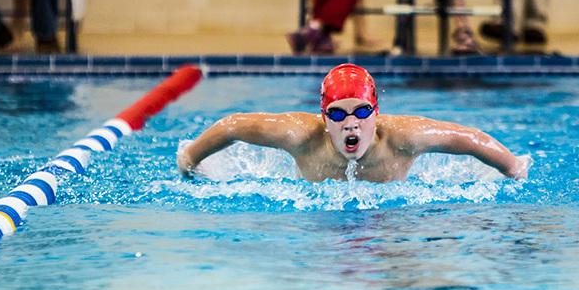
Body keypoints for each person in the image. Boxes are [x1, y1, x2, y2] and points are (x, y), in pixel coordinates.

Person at [178, 63, 532, 183]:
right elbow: (233, 125)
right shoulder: (299, 135)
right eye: (338, 114)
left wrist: (513, 167)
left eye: (361, 112)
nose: (351, 124)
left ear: (376, 113)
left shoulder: (404, 138)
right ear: (324, 118)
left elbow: (470, 138)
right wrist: (190, 159)